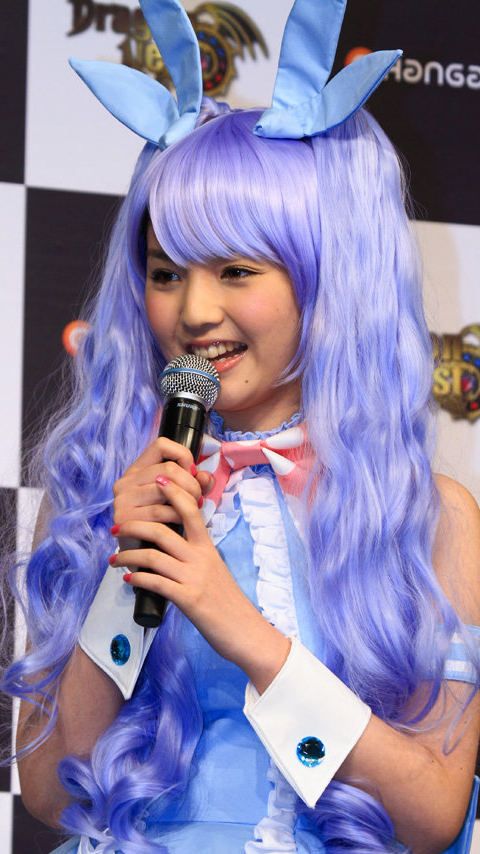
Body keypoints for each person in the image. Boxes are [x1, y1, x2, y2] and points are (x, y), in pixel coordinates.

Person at [2, 0, 480, 852]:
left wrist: (241, 627)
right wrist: (125, 576)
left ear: (325, 278)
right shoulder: (96, 503)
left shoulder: (429, 516)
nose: (192, 311)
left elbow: (436, 814)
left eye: (234, 269)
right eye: (165, 272)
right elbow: (48, 790)